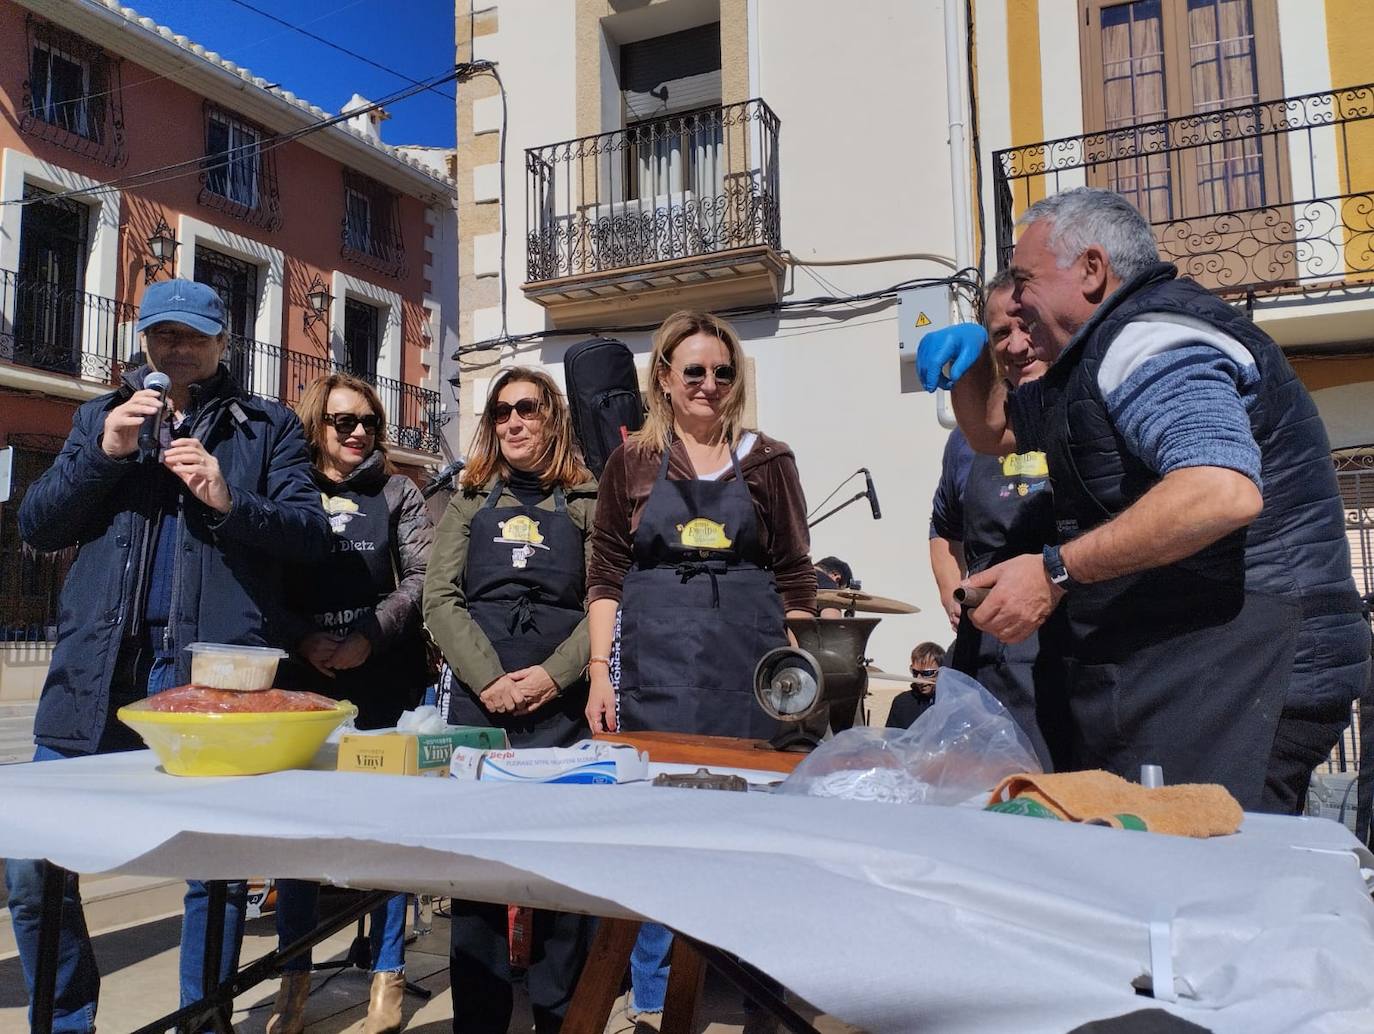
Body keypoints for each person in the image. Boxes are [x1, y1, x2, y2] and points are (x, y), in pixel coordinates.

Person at [917, 186, 1371, 812]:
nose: (1015, 300)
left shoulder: (1149, 340)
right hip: (1203, 657)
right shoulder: (1088, 360)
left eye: (1024, 280)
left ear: (1093, 270)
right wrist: (972, 366)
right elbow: (995, 433)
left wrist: (1055, 571)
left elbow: (1219, 490)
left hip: (1253, 658)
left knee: (1203, 877)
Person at [5, 279, 329, 1033]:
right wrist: (106, 454)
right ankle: (66, 1021)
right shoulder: (99, 418)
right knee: (32, 869)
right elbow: (39, 526)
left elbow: (311, 537)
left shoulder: (266, 428)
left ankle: (202, 1022)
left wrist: (227, 499)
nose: (175, 349)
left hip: (205, 683)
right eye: (161, 335)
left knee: (210, 875)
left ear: (223, 344)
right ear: (143, 342)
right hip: (97, 676)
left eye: (191, 336)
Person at [585, 310, 817, 1026]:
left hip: (749, 673)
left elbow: (796, 579)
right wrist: (600, 671)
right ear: (663, 378)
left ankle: (755, 1001)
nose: (709, 384)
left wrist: (794, 682)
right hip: (658, 671)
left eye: (723, 372)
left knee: (749, 841)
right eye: (694, 371)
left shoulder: (769, 459)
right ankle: (654, 1000)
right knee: (662, 836)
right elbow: (606, 574)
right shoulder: (633, 463)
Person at [423, 367, 598, 1034]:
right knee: (478, 880)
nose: (514, 422)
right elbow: (440, 598)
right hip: (480, 708)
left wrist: (553, 676)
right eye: (502, 412)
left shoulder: (587, 498)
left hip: (561, 710)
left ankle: (561, 1017)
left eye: (527, 408)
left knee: (559, 878)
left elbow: (606, 600)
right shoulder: (468, 498)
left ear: (552, 416)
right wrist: (491, 678)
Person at [267, 373, 435, 1034]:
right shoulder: (289, 491)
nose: (359, 432)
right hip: (304, 683)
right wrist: (301, 637)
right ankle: (293, 984)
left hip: (381, 682)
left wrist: (367, 637)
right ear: (318, 425)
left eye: (368, 420)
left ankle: (386, 983)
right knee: (300, 839)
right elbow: (264, 583)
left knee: (385, 835)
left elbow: (421, 577)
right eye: (343, 421)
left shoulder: (399, 492)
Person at [927, 271, 1070, 770]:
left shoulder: (1081, 413)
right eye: (1000, 335)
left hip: (1063, 651)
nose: (1018, 345)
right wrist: (951, 593)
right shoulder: (966, 440)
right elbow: (944, 529)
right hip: (981, 655)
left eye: (1027, 326)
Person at [885, 642, 946, 729]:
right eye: (915, 672)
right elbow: (890, 738)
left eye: (927, 673)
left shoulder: (951, 703)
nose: (919, 680)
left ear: (942, 671)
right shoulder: (902, 702)